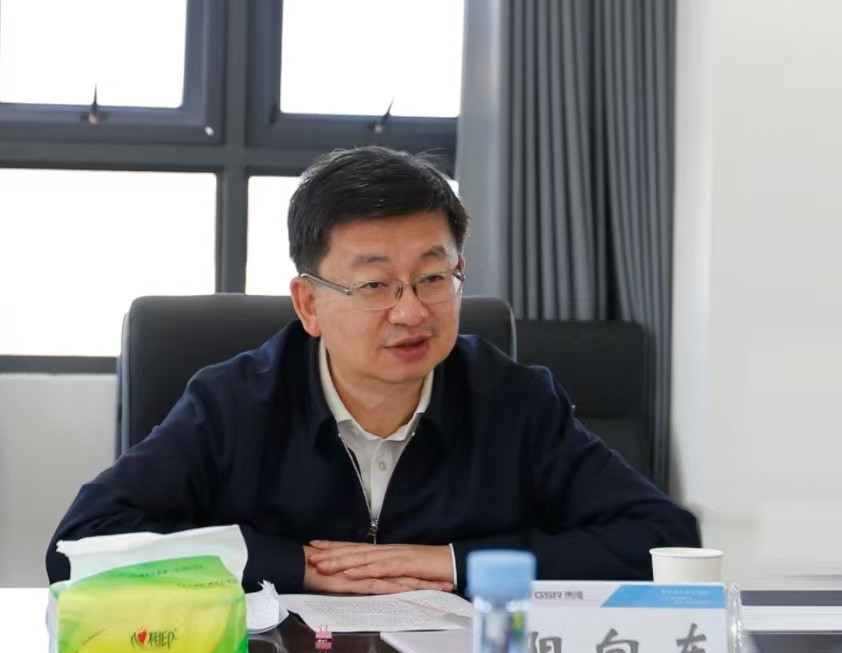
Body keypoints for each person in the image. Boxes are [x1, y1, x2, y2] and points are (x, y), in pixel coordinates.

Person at [46, 146, 700, 595]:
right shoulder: (233, 404)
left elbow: (665, 540)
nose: (411, 311)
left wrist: (450, 564)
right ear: (309, 304)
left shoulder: (514, 401)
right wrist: (294, 566)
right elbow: (79, 547)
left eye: (434, 277)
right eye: (375, 285)